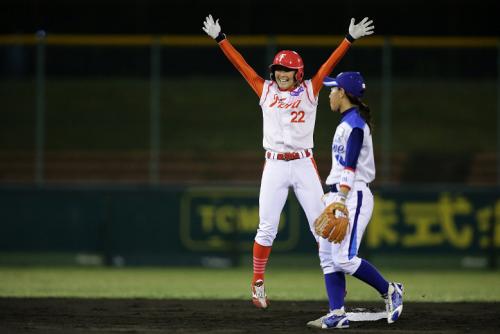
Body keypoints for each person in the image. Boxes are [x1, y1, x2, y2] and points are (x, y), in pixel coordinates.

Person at [202, 15, 374, 309]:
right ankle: (257, 284)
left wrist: (348, 38)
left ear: (298, 72)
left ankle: (336, 294)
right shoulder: (265, 90)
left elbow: (327, 67)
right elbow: (241, 65)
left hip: (304, 163)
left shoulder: (310, 89)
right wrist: (221, 39)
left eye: (288, 69)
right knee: (266, 227)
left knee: (323, 227)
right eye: (279, 68)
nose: (282, 73)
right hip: (275, 164)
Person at [307, 72, 404, 329]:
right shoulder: (346, 122)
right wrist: (333, 199)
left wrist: (340, 199)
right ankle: (337, 313)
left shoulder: (355, 125)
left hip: (352, 195)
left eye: (332, 89)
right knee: (328, 258)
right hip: (338, 194)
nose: (329, 94)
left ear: (343, 93)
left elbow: (350, 166)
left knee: (344, 259)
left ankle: (390, 290)